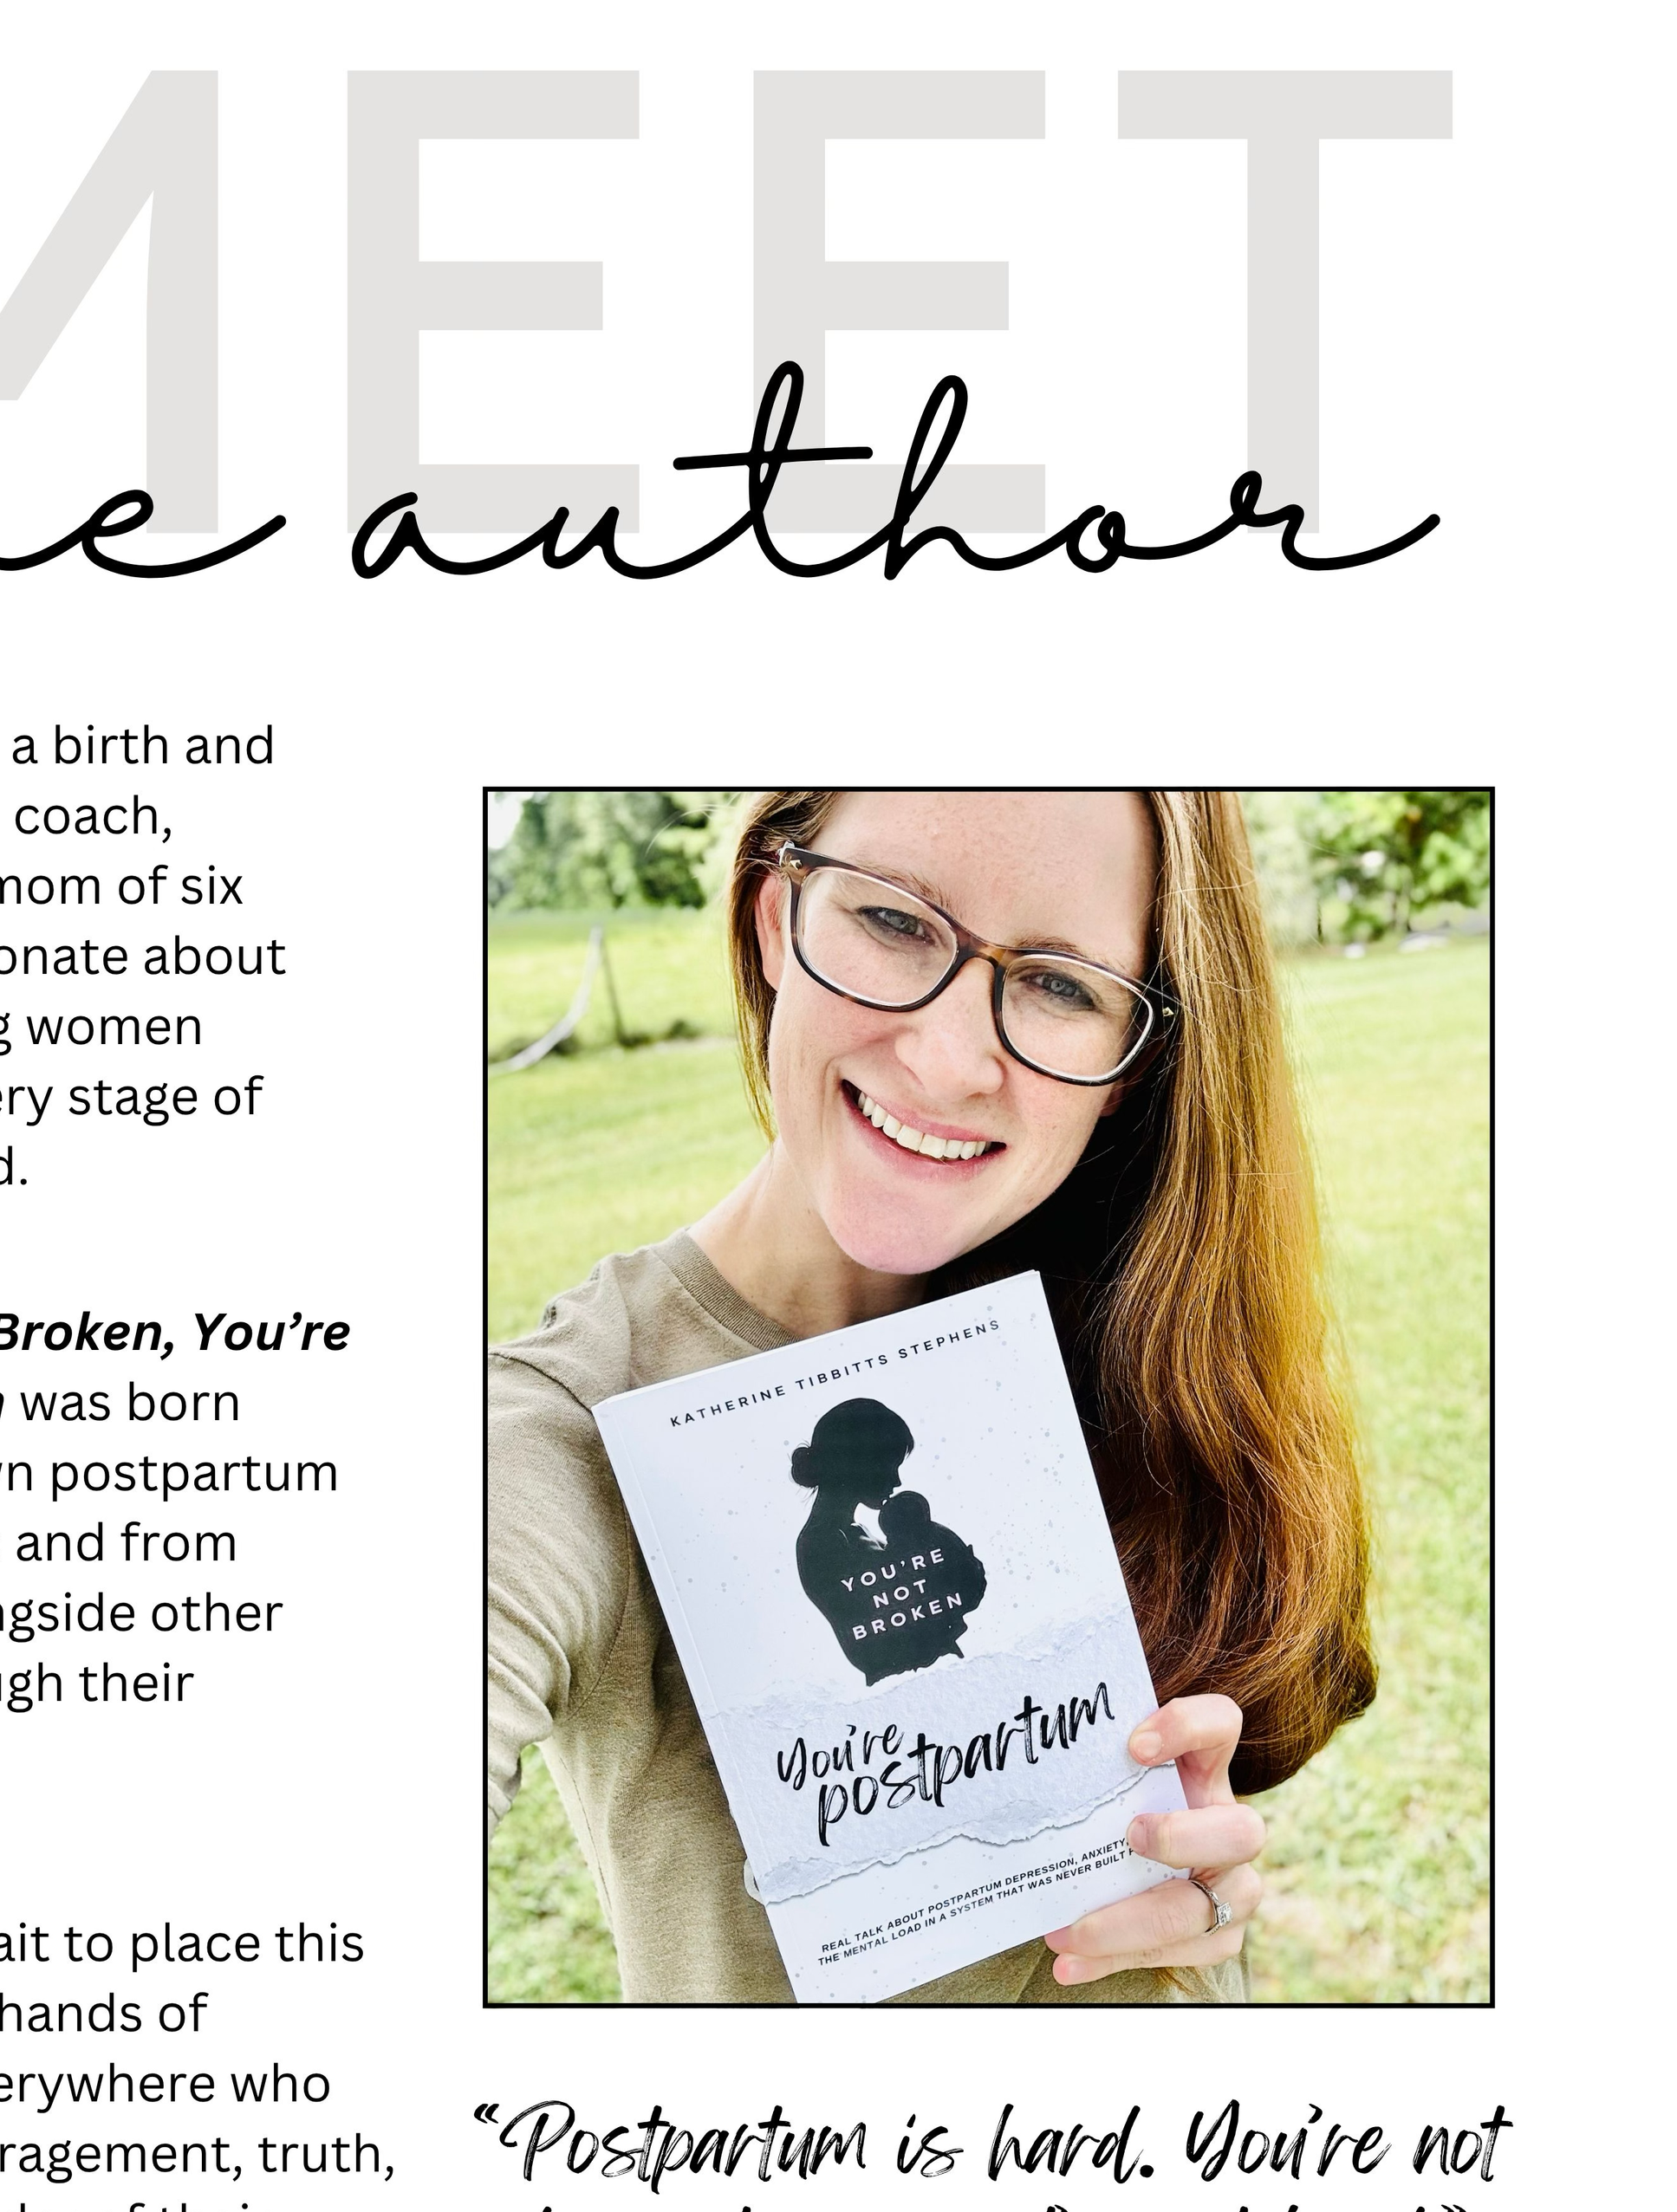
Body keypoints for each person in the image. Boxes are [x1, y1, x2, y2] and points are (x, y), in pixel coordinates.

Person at [487, 790, 1375, 2003]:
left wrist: (1197, 1893)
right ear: (771, 915)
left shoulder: (1137, 1342)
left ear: (1134, 1063)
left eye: (1063, 985)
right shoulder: (561, 1431)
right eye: (895, 922)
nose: (950, 1060)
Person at [788, 1396, 986, 1683]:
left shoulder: (855, 1532)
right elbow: (876, 1641)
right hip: (910, 1684)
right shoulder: (823, 1542)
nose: (896, 1481)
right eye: (887, 1465)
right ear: (854, 1463)